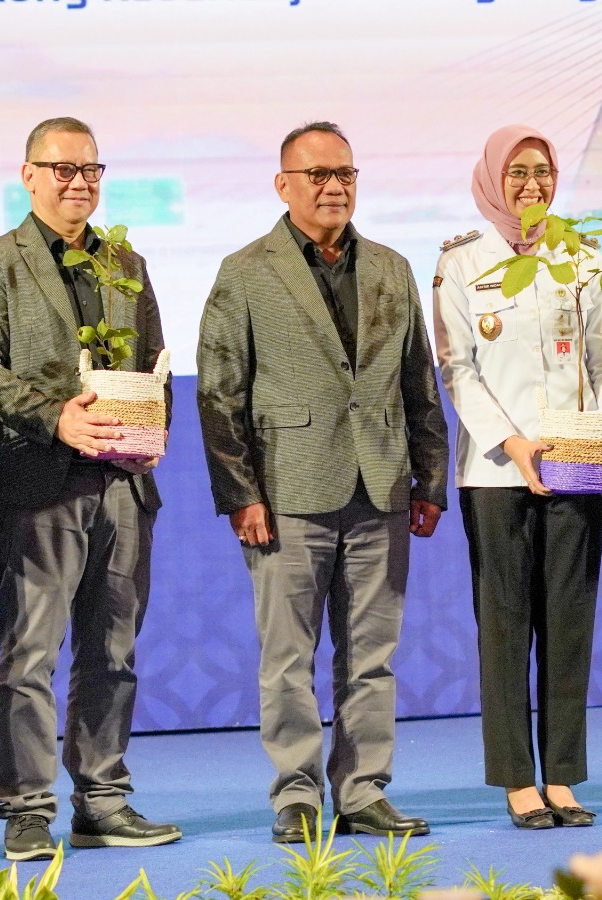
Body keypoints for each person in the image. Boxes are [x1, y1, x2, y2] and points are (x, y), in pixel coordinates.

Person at [197, 120, 450, 844]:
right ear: (284, 185)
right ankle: (297, 797)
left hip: (382, 490)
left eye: (346, 173)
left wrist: (428, 478)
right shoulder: (244, 271)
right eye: (317, 175)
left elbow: (418, 385)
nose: (334, 186)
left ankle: (364, 791)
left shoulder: (393, 267)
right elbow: (219, 394)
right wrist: (240, 494)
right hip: (286, 492)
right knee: (288, 660)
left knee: (373, 657)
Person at [0, 116, 180, 860]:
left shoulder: (126, 260)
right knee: (29, 655)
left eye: (91, 169)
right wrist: (56, 417)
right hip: (39, 481)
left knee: (112, 650)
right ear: (28, 175)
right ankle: (25, 808)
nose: (79, 181)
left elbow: (155, 362)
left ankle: (103, 800)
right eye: (62, 169)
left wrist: (153, 433)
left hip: (121, 481)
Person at [432, 125, 602, 829]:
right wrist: (515, 447)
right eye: (517, 172)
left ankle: (566, 777)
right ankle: (518, 779)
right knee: (507, 626)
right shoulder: (461, 264)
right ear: (492, 178)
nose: (531, 185)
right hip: (496, 473)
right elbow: (457, 370)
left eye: (542, 172)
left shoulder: (580, 257)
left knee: (570, 624)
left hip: (579, 464)